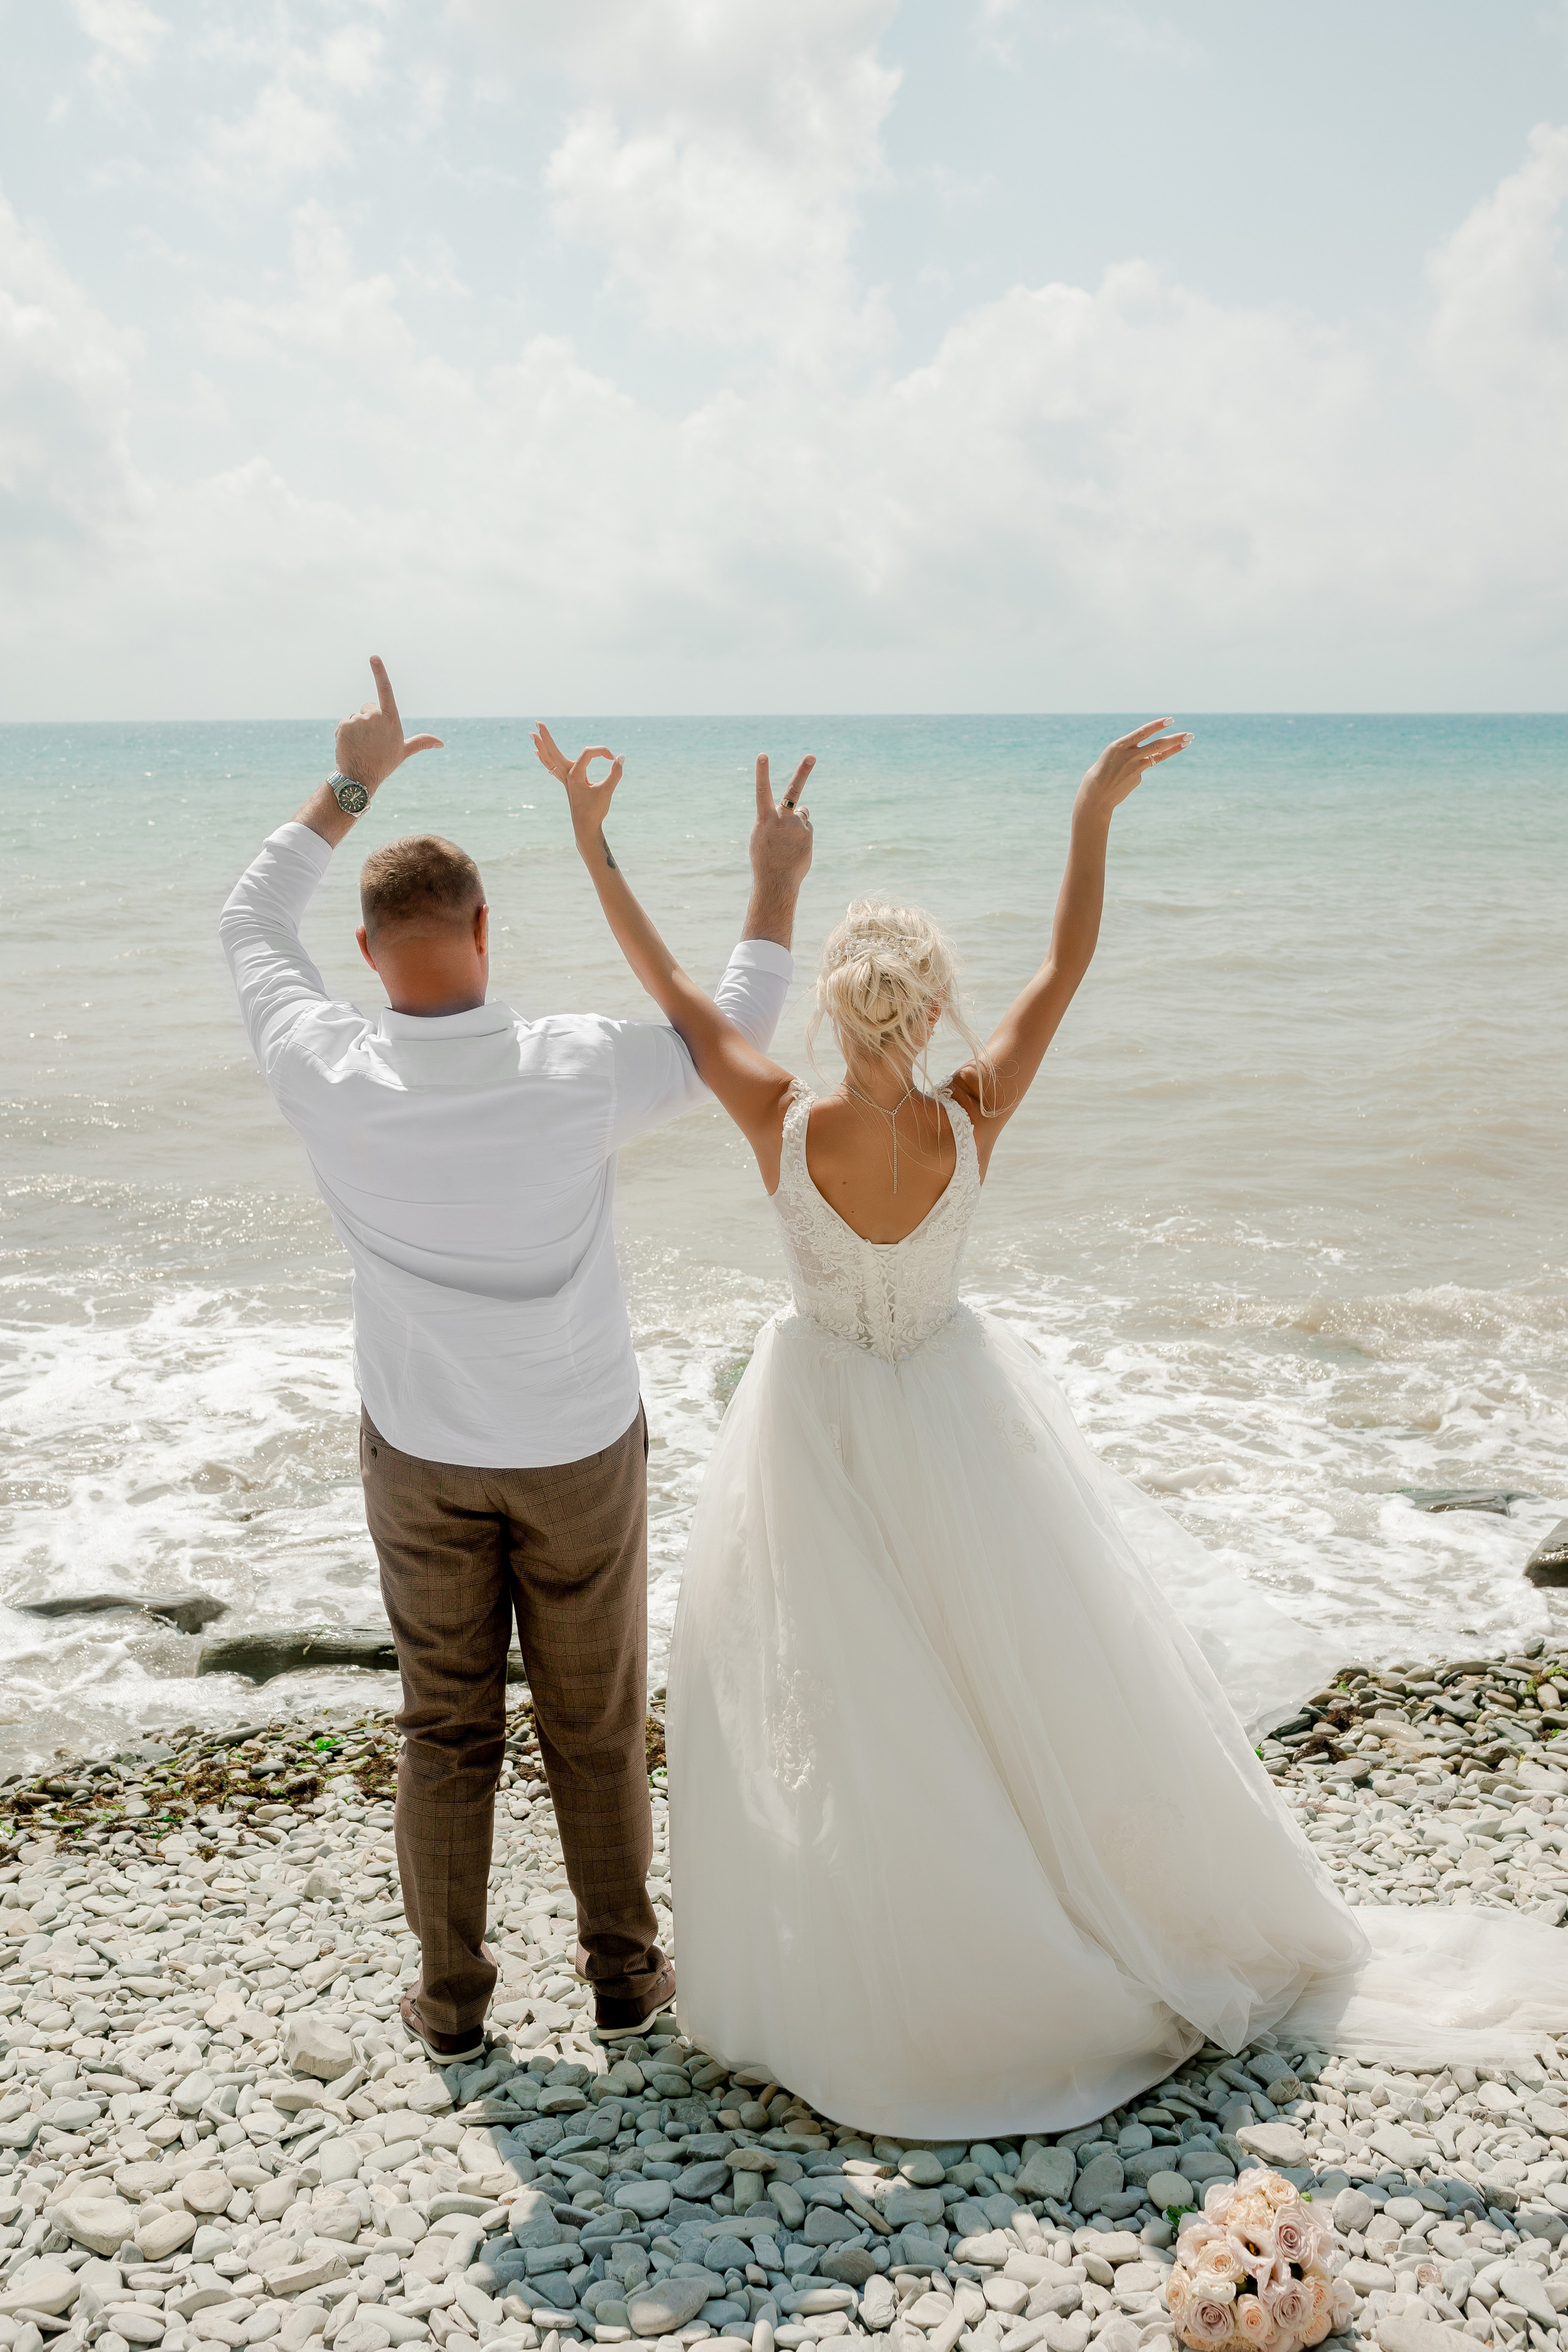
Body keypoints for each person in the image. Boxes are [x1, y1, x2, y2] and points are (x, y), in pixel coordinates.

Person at [535, 714, 1568, 2133]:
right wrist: (1091, 807)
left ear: (835, 1010)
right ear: (927, 1007)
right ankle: (1043, 1908)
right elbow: (1066, 961)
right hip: (956, 1413)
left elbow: (665, 987)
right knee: (1001, 1674)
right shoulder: (975, 1110)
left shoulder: (775, 1109)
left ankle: (892, 1947)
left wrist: (596, 842)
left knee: (851, 1700)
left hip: (818, 1428)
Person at [220, 658, 818, 2059]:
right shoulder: (575, 1064)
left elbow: (249, 919)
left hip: (421, 1449)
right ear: (486, 930)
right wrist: (775, 876)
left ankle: (451, 2008)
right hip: (574, 1444)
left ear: (368, 955)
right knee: (596, 1723)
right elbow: (733, 1026)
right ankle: (623, 1980)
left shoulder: (323, 1063)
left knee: (445, 1728)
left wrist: (354, 778)